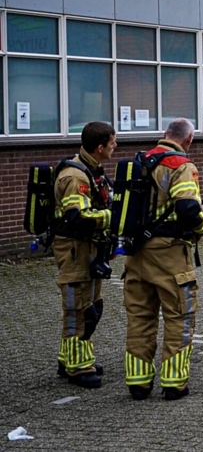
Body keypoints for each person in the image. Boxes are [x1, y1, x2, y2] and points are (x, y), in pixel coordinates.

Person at [123, 118, 203, 400]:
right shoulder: (181, 165)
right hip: (170, 254)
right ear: (189, 140)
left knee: (140, 317)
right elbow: (186, 207)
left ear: (164, 135)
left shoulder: (139, 161)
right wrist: (202, 227)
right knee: (178, 317)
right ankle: (174, 383)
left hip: (136, 254)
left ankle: (138, 383)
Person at [52, 121, 117, 389]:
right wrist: (113, 217)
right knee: (77, 309)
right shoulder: (76, 177)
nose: (116, 146)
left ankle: (72, 357)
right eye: (113, 142)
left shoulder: (92, 170)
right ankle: (77, 367)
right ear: (100, 146)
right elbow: (77, 217)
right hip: (75, 252)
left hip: (90, 251)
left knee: (91, 306)